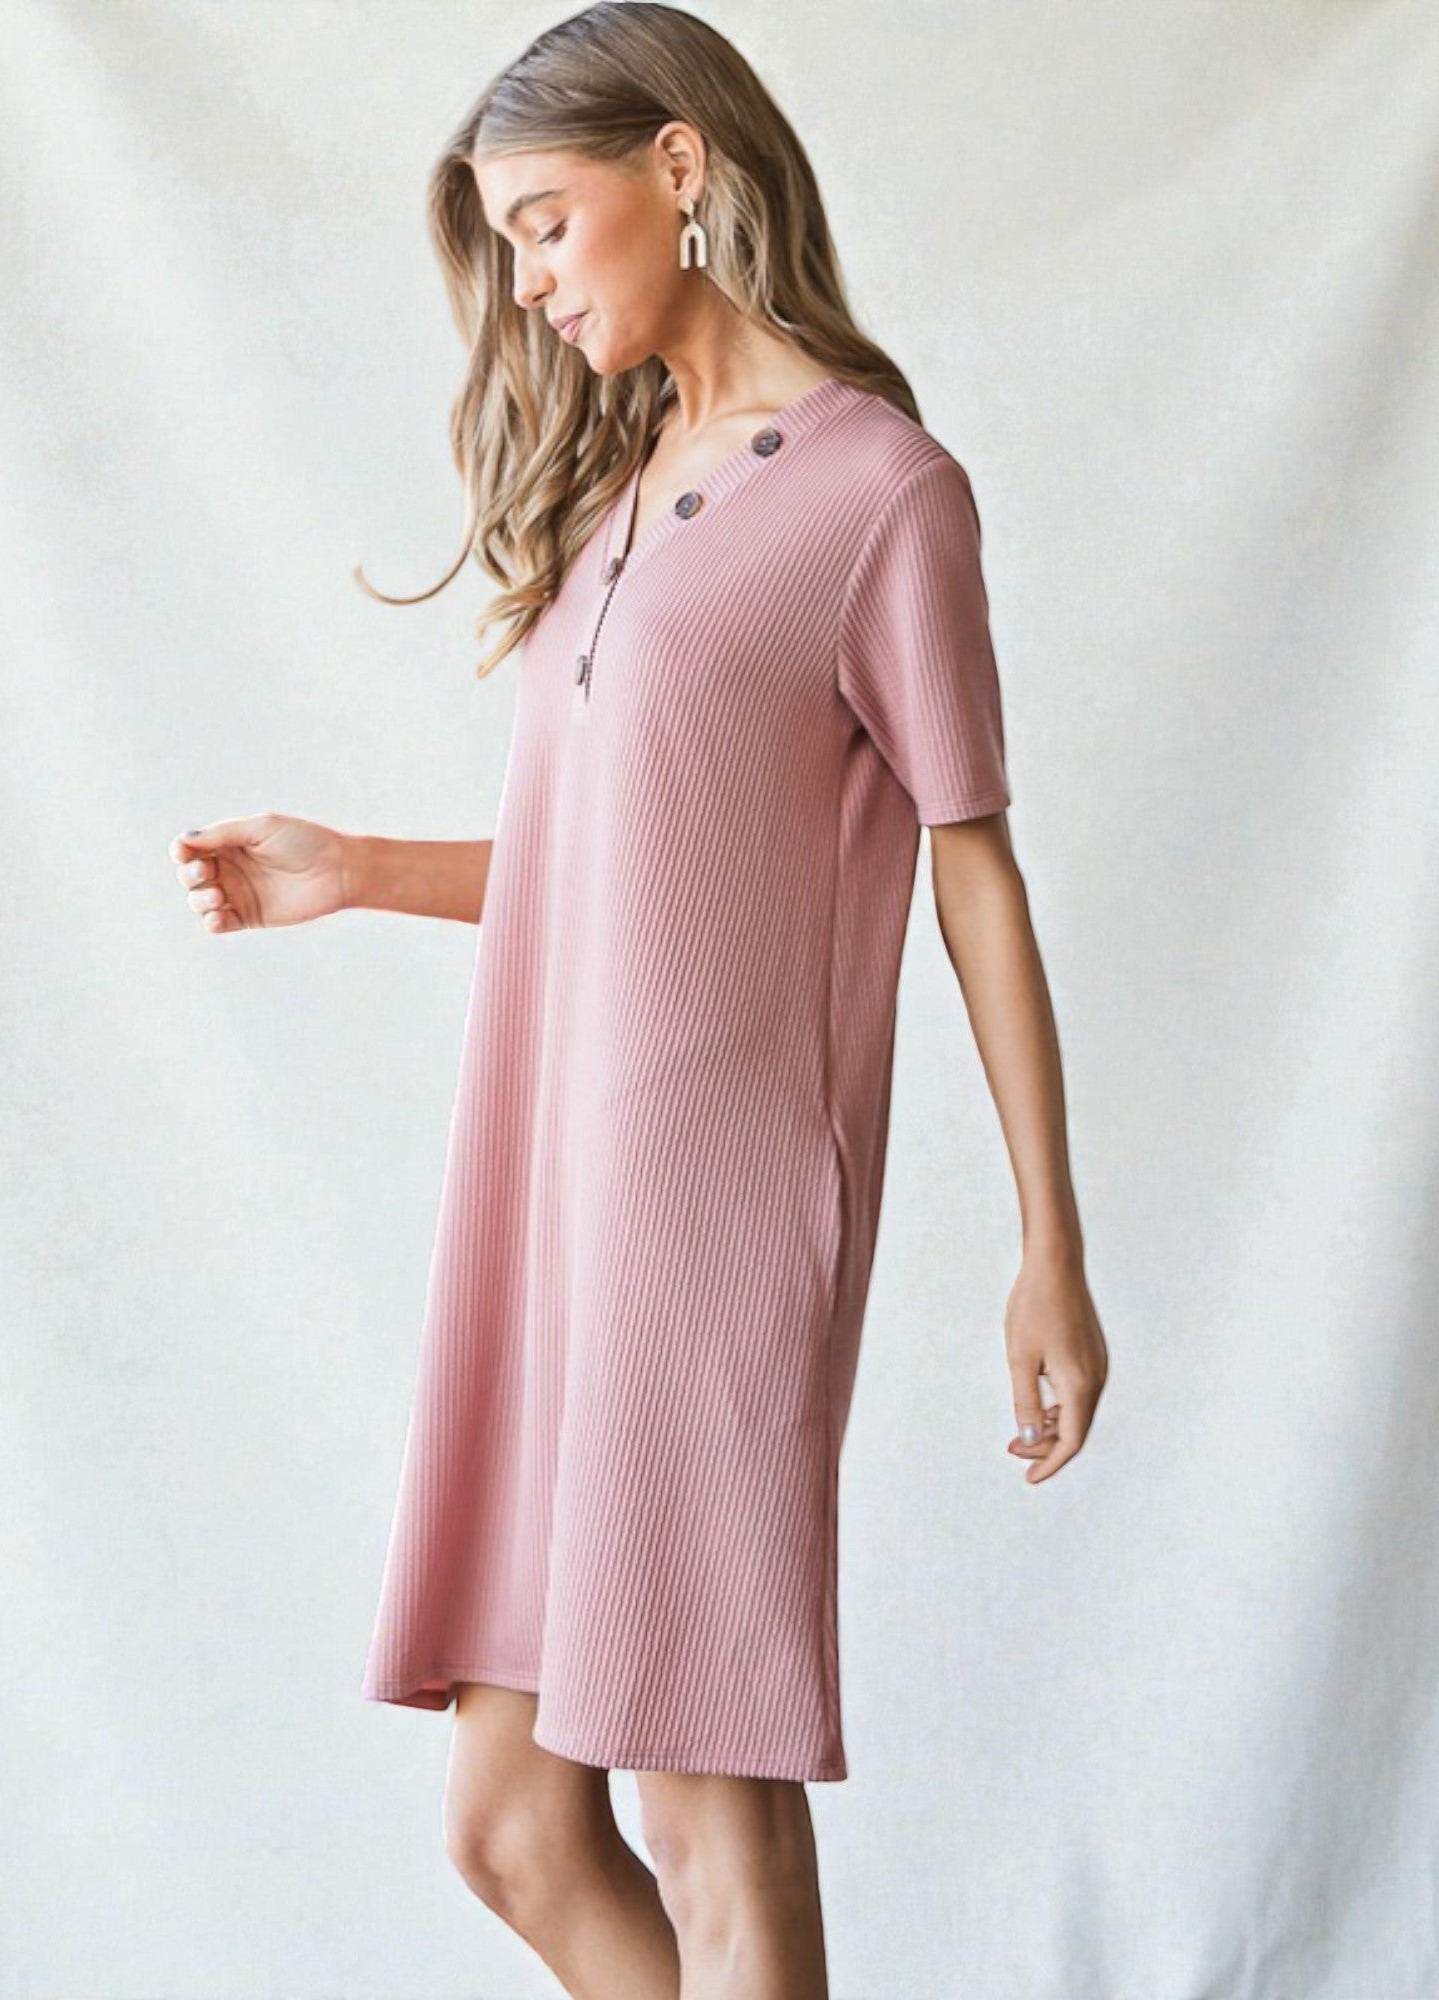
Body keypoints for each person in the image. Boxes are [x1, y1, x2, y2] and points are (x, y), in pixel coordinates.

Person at [167, 4, 1109, 1992]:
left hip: (712, 1212)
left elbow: (970, 864)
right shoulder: (619, 496)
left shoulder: (879, 493)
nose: (524, 280)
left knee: (699, 1804)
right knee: (511, 1822)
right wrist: (359, 872)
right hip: (548, 1204)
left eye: (542, 222)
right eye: (500, 243)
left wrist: (1046, 1249)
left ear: (679, 169)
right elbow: (623, 877)